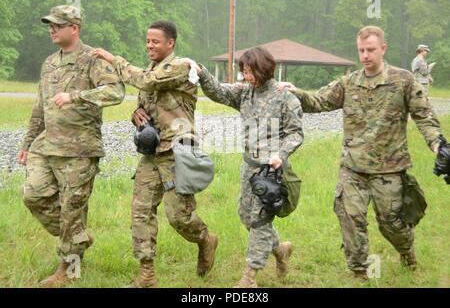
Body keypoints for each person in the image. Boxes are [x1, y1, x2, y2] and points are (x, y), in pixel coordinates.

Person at [279, 26, 441, 279]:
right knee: (350, 218)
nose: (365, 56)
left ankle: (406, 250)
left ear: (383, 49)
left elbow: (424, 116)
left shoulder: (403, 81)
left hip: (389, 169)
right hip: (352, 167)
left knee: (391, 224)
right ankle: (359, 273)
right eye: (361, 50)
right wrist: (295, 92)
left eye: (371, 50)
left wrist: (437, 144)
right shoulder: (349, 82)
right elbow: (319, 102)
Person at [92, 20, 218, 288]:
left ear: (170, 43)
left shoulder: (181, 67)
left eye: (155, 41)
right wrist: (136, 115)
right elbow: (145, 103)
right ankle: (146, 274)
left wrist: (115, 60)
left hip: (177, 152)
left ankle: (206, 239)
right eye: (148, 41)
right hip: (151, 154)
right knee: (140, 212)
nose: (150, 45)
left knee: (179, 217)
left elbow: (146, 82)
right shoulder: (150, 68)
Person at [18, 5, 125, 287]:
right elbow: (40, 106)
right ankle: (79, 237)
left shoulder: (93, 59)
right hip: (46, 144)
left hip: (79, 149)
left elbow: (115, 92)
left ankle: (69, 269)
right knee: (33, 195)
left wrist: (75, 96)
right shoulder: (50, 62)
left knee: (72, 211)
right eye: (50, 25)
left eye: (57, 24)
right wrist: (28, 142)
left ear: (74, 28)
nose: (51, 29)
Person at [190, 47, 303, 287]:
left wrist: (280, 155)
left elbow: (296, 133)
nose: (248, 76)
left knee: (260, 221)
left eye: (251, 71)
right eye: (245, 72)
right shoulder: (245, 93)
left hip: (272, 173)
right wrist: (201, 72)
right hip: (248, 168)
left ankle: (249, 277)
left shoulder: (285, 97)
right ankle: (280, 251)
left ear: (265, 68)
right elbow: (219, 92)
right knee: (247, 217)